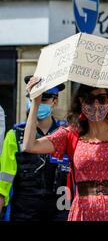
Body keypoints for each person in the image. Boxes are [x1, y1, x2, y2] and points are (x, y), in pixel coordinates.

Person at [23, 80, 108, 221]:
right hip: (83, 211)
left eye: (102, 99)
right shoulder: (70, 135)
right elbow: (29, 145)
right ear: (81, 101)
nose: (96, 105)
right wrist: (35, 102)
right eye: (89, 99)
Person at [0, 77, 69, 221]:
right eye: (32, 98)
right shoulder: (15, 135)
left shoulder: (67, 135)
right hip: (24, 213)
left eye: (43, 99)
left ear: (55, 101)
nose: (36, 103)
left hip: (60, 212)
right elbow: (3, 181)